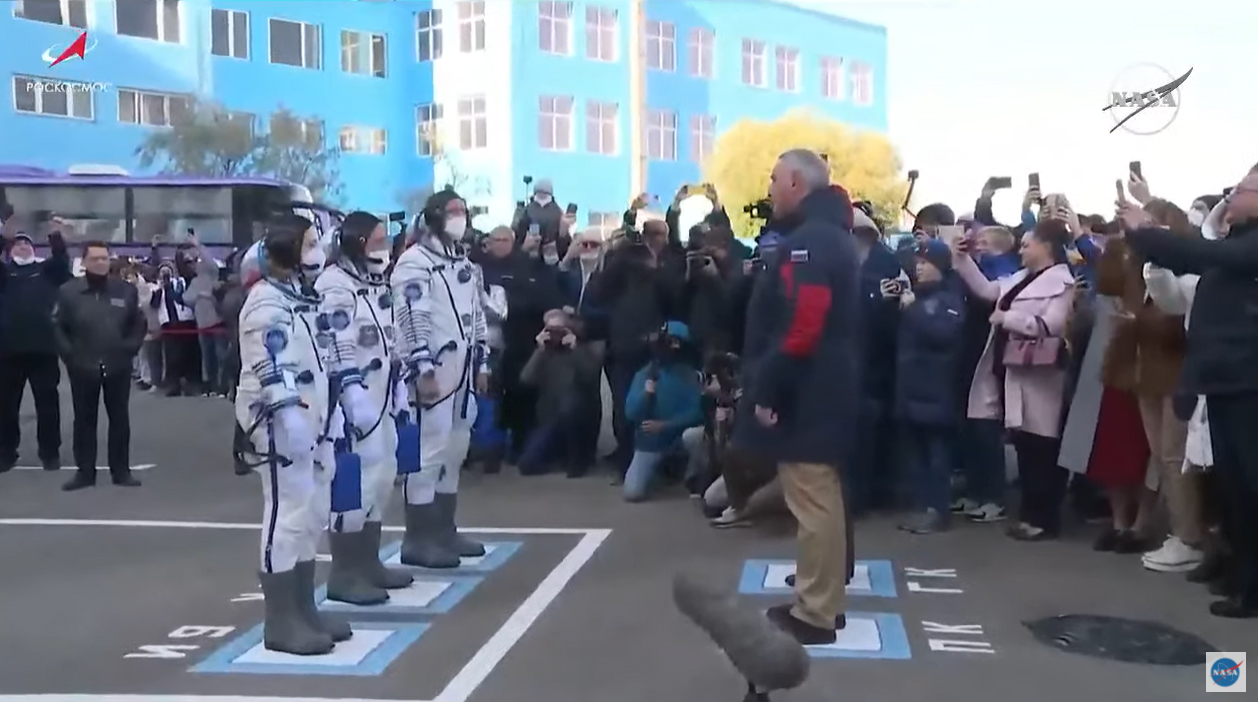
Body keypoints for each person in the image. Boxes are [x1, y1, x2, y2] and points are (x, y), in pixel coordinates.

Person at [735, 149, 861, 645]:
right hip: (825, 382)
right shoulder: (831, 237)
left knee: (812, 500)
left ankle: (816, 612)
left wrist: (770, 384)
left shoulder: (811, 243)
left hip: (812, 387)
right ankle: (824, 601)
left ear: (794, 182)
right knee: (821, 496)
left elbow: (804, 324)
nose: (768, 188)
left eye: (772, 179)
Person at [1121, 171, 1258, 619]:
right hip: (1223, 381)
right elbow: (1200, 252)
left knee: (1250, 489)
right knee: (1235, 489)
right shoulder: (1236, 243)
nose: (1230, 195)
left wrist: (1147, 230)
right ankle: (1241, 577)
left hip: (1248, 385)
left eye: (1241, 190)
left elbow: (1195, 252)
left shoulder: (1247, 248)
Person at [234, 214, 350, 654]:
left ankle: (304, 606)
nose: (317, 251)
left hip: (315, 419)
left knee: (312, 512)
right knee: (286, 513)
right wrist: (289, 417)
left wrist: (331, 414)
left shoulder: (301, 298)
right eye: (308, 243)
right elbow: (269, 367)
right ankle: (281, 619)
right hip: (280, 426)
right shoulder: (266, 305)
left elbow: (320, 360)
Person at [952, 219, 1076, 541]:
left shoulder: (1062, 282)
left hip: (1042, 373)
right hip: (1012, 368)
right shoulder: (1022, 278)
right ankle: (1031, 514)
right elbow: (986, 290)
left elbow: (1052, 324)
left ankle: (1043, 518)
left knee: (1042, 445)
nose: (1021, 248)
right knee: (1024, 442)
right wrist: (963, 259)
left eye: (1027, 243)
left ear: (1046, 247)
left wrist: (1009, 319)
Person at [315, 211, 415, 605]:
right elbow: (335, 345)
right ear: (354, 243)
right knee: (355, 483)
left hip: (383, 395)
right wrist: (350, 397)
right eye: (374, 241)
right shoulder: (335, 287)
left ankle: (368, 561)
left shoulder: (375, 285)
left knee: (383, 474)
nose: (383, 248)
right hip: (351, 403)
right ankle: (344, 572)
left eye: (384, 240)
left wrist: (400, 390)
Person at [392, 189, 490, 568]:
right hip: (433, 371)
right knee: (428, 453)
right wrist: (421, 369)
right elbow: (411, 318)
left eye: (464, 211)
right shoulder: (414, 263)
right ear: (433, 217)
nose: (460, 218)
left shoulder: (463, 262)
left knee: (455, 449)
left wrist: (482, 363)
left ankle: (444, 530)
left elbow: (476, 312)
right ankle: (418, 537)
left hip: (463, 371)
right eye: (453, 212)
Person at [51, 241, 146, 491]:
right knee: (84, 420)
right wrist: (69, 355)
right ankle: (84, 472)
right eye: (95, 259)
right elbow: (58, 326)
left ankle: (121, 471)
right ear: (84, 262)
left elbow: (138, 322)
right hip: (82, 364)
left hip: (117, 364)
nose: (101, 263)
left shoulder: (125, 290)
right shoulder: (68, 291)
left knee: (119, 419)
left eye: (104, 258)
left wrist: (130, 348)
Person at [893, 239, 967, 534]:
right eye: (918, 263)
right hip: (913, 390)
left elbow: (944, 334)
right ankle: (922, 506)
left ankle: (937, 509)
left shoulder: (950, 297)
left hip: (937, 390)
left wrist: (913, 311)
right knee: (918, 454)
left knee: (937, 455)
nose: (919, 268)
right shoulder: (919, 296)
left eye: (925, 263)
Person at [0, 223, 73, 473]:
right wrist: (3, 236)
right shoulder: (4, 273)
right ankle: (6, 452)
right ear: (10, 251)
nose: (23, 247)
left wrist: (55, 236)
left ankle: (50, 453)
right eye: (18, 244)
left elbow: (62, 261)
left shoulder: (46, 270)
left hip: (43, 348)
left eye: (27, 243)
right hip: (8, 350)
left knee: (48, 404)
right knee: (6, 405)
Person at [621, 321, 705, 501]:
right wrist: (647, 394)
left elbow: (699, 412)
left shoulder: (692, 376)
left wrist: (666, 425)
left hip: (680, 438)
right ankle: (661, 472)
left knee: (696, 437)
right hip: (652, 443)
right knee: (632, 493)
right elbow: (630, 413)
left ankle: (695, 475)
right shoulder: (645, 374)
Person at [517, 308, 603, 477]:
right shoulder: (545, 352)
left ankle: (577, 460)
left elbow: (591, 374)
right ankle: (555, 454)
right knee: (526, 465)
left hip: (577, 419)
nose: (556, 335)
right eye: (551, 330)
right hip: (550, 419)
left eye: (560, 330)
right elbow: (526, 379)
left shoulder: (582, 348)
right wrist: (539, 350)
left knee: (570, 405)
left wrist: (575, 348)